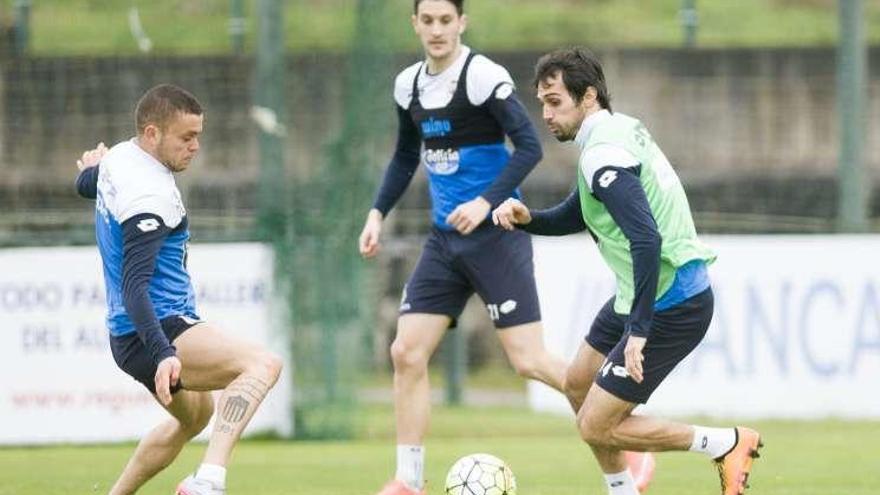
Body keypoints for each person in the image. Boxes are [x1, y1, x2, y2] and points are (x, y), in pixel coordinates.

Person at [358, 3, 654, 494]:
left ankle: (630, 438)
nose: (436, 30)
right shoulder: (407, 85)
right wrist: (376, 213)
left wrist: (485, 202)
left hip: (495, 236)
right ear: (415, 24)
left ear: (461, 23)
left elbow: (529, 147)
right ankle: (408, 481)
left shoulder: (481, 77)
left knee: (530, 361)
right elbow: (406, 155)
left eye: (445, 20)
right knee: (406, 352)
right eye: (426, 20)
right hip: (444, 242)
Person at [492, 47, 763, 495]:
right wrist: (530, 220)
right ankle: (623, 488)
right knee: (577, 384)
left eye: (555, 101)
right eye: (542, 102)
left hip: (672, 301)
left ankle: (725, 444)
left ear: (589, 96)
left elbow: (646, 238)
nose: (546, 113)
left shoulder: (603, 158)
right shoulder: (617, 133)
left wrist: (638, 330)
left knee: (596, 425)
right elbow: (580, 214)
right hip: (642, 293)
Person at [74, 84, 283, 495]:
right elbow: (135, 286)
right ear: (152, 134)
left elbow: (88, 184)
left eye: (198, 135)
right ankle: (208, 481)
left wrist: (87, 172)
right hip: (156, 328)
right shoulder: (147, 197)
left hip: (128, 334)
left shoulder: (120, 157)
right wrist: (165, 352)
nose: (196, 146)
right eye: (186, 137)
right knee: (262, 364)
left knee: (195, 418)